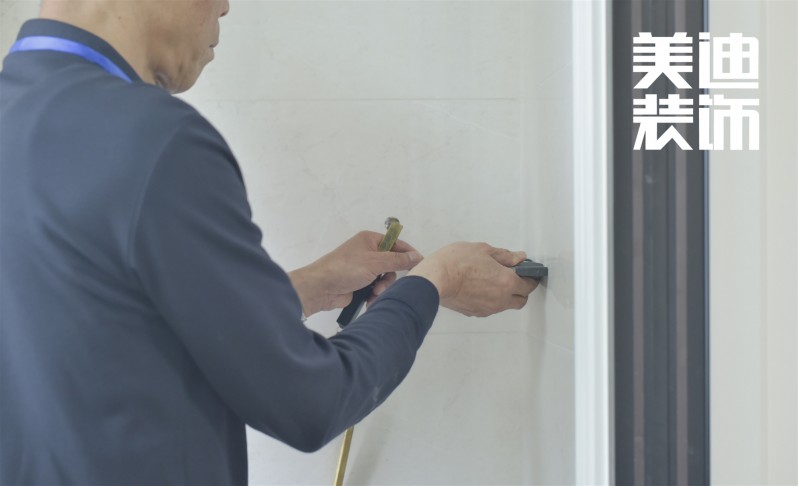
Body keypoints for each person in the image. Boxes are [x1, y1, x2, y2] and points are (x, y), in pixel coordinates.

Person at [0, 1, 539, 484]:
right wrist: (435, 282)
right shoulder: (154, 138)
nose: (225, 8)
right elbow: (311, 401)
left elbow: (94, 324)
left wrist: (304, 287)